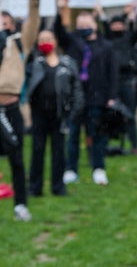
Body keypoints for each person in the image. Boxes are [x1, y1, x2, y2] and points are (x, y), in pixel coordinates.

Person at [54, 0, 118, 186]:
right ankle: (71, 170)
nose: (83, 28)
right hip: (75, 99)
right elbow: (59, 32)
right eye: (80, 25)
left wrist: (112, 96)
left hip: (98, 98)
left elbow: (112, 73)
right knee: (73, 136)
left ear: (95, 25)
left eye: (87, 24)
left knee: (97, 135)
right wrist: (60, 11)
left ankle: (98, 168)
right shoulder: (73, 41)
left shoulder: (105, 46)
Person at [0, 0, 40, 221]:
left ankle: (20, 205)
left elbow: (33, 24)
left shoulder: (17, 43)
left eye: (6, 23)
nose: (2, 26)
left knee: (16, 157)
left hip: (11, 108)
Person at [27, 30, 84, 197]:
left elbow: (77, 89)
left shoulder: (67, 63)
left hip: (60, 116)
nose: (45, 41)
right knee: (37, 151)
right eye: (42, 39)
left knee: (59, 152)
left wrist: (74, 112)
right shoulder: (34, 63)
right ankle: (35, 187)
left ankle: (58, 187)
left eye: (49, 38)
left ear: (56, 41)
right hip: (39, 115)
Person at [100, 4, 137, 152]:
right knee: (108, 115)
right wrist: (100, 11)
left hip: (126, 80)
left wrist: (134, 13)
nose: (117, 26)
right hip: (110, 83)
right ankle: (105, 145)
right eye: (115, 24)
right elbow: (104, 25)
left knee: (130, 115)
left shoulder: (128, 37)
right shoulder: (107, 40)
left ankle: (134, 146)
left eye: (120, 24)